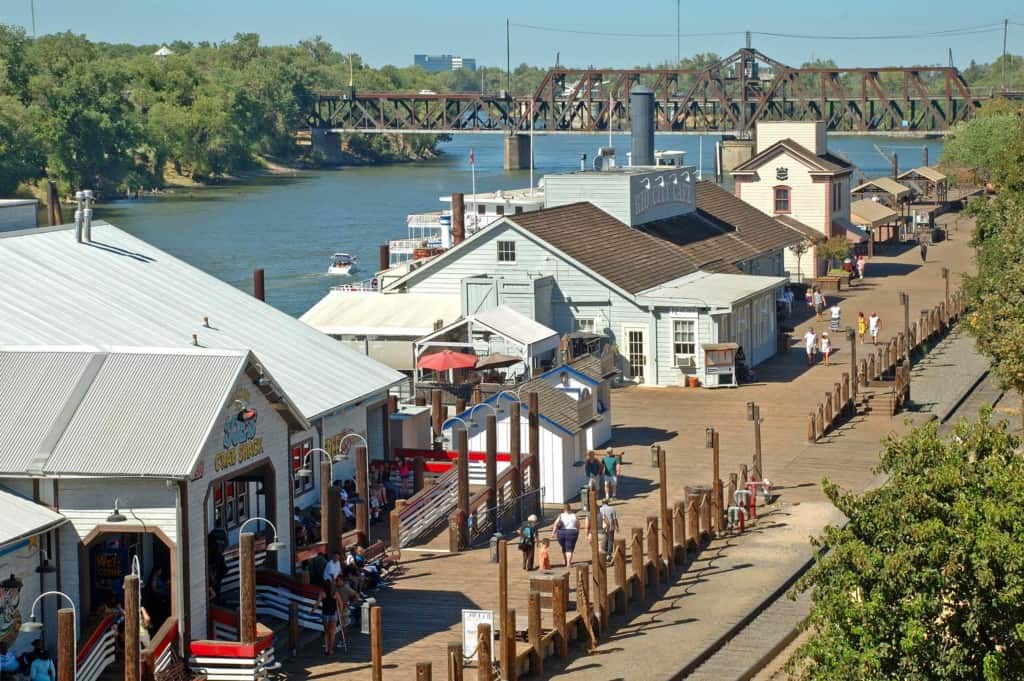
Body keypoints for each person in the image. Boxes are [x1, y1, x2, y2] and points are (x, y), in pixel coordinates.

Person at [311, 579, 344, 655]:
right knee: (332, 633)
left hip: (325, 614)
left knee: (326, 632)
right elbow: (341, 603)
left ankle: (326, 649)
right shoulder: (335, 593)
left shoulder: (322, 593)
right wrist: (340, 612)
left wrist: (312, 611)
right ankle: (331, 650)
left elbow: (317, 603)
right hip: (333, 614)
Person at [551, 503, 586, 567]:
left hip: (561, 532)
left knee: (564, 547)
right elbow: (578, 524)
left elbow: (555, 524)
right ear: (570, 508)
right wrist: (578, 530)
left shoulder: (561, 515)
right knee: (569, 548)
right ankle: (568, 563)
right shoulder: (574, 515)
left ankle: (565, 561)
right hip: (572, 532)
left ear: (564, 509)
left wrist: (553, 532)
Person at [595, 499, 619, 564]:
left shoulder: (599, 509)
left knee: (604, 542)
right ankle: (609, 554)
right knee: (610, 541)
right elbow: (614, 519)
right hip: (611, 527)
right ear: (607, 503)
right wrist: (617, 527)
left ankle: (604, 554)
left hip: (602, 529)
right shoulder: (612, 509)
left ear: (602, 503)